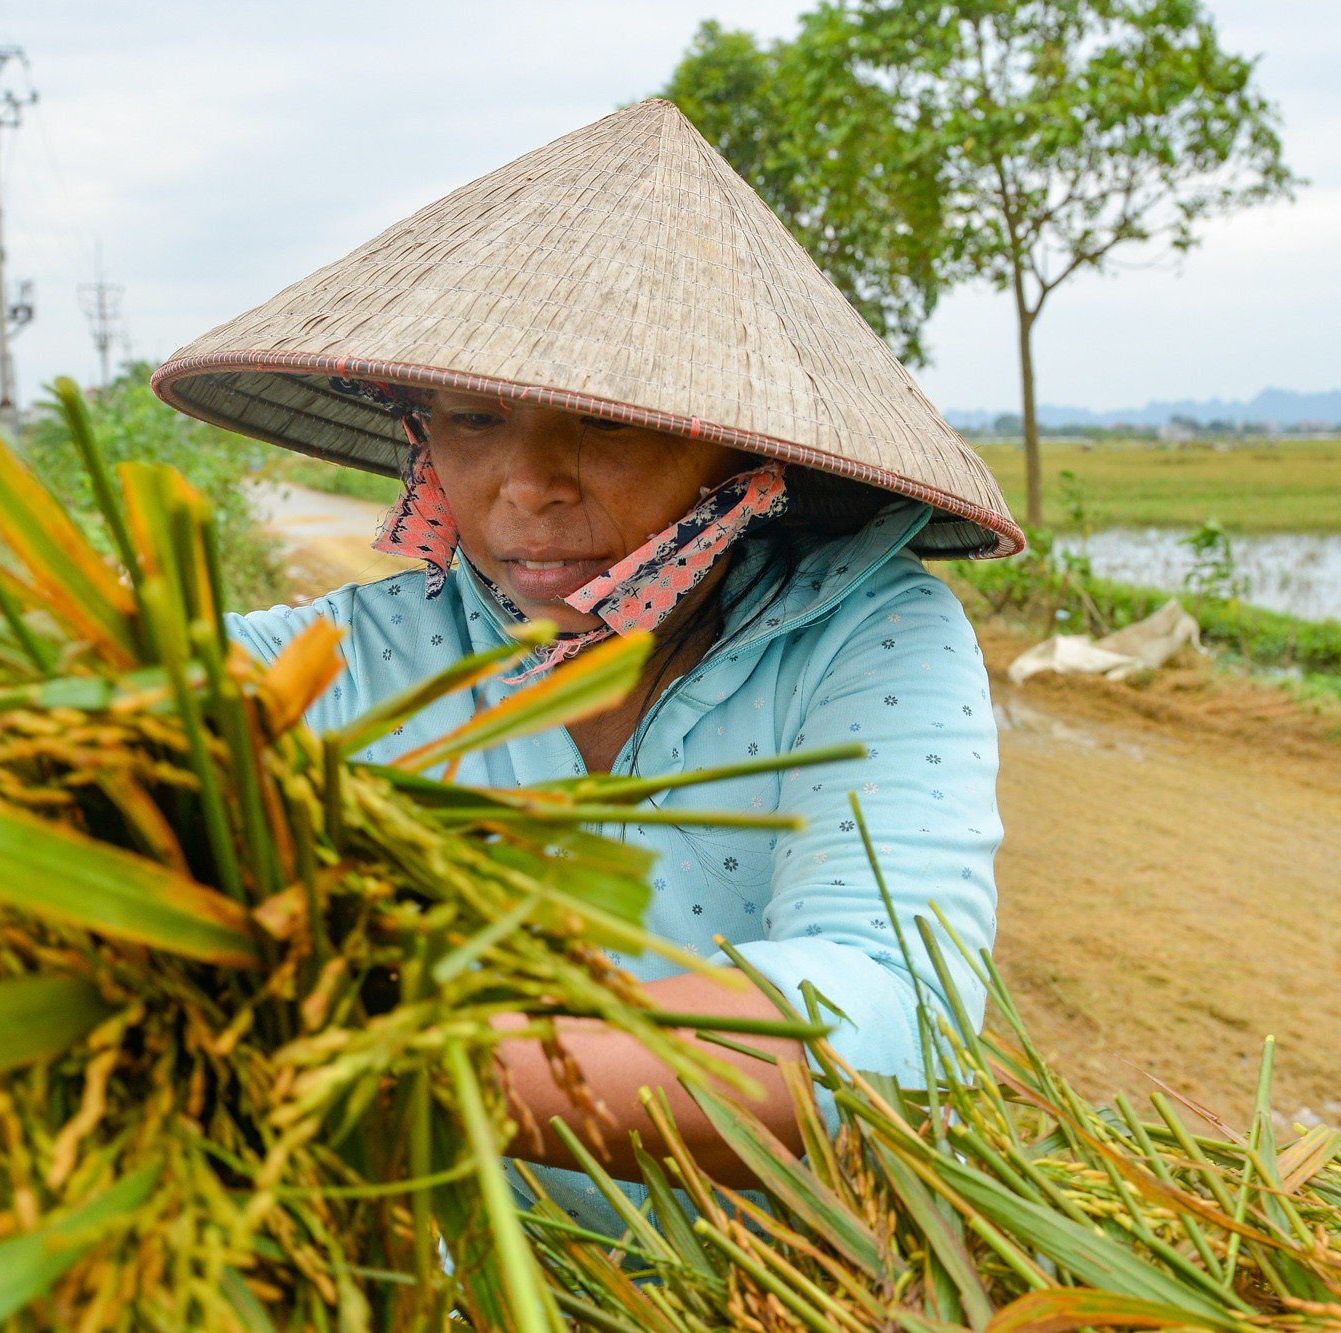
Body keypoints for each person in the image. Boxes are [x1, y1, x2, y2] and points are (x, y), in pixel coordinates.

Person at [153, 99, 1022, 1235]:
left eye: (602, 427)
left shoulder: (862, 635)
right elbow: (137, 699)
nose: (527, 485)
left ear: (737, 448)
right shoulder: (369, 655)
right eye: (472, 419)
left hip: (774, 1286)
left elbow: (885, 1009)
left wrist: (408, 1069)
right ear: (419, 441)